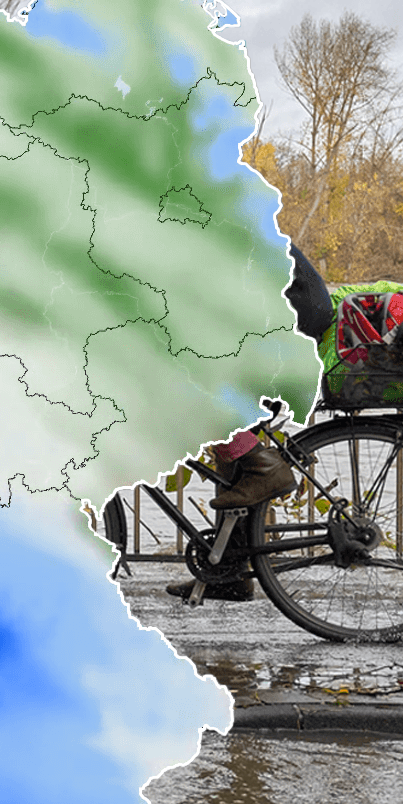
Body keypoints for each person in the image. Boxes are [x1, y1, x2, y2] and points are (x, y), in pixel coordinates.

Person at [164, 244, 322, 603]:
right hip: (284, 314)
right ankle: (229, 574)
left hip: (290, 319)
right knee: (228, 442)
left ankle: (266, 468)